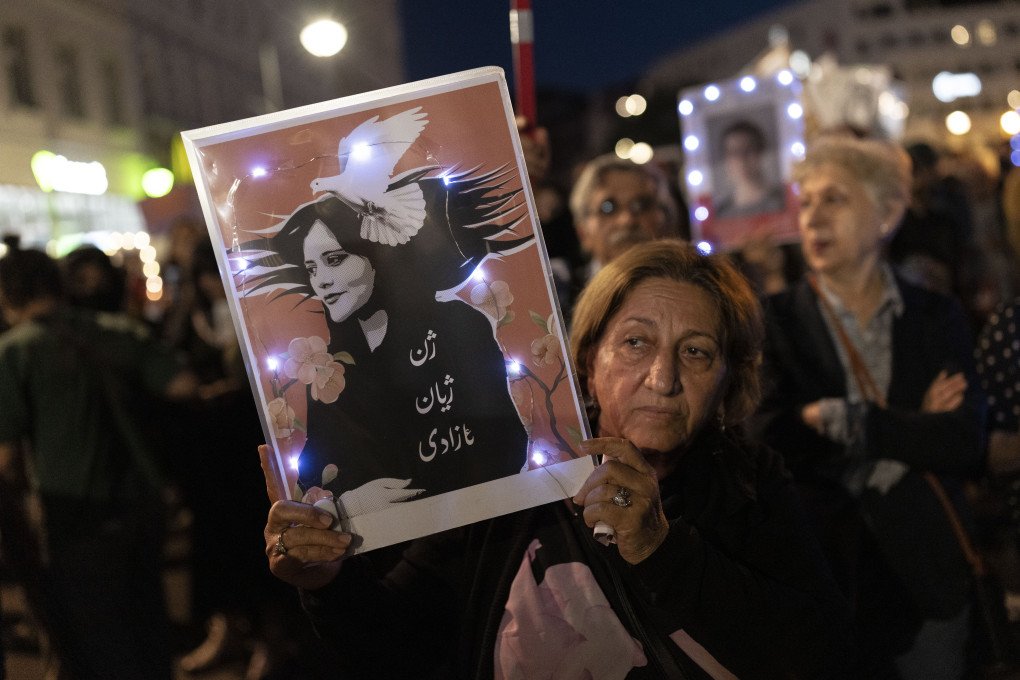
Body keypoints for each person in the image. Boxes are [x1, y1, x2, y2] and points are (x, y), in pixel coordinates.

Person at [259, 239, 859, 678]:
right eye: (635, 342)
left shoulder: (752, 486)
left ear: (729, 381)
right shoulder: (510, 482)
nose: (663, 377)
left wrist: (660, 549)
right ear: (588, 361)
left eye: (697, 352)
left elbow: (824, 655)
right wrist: (325, 583)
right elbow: (396, 645)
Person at [751, 135, 984, 678]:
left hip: (927, 575)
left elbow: (963, 441)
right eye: (806, 202)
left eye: (835, 199)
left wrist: (846, 421)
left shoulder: (935, 315)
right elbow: (769, 438)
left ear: (887, 214)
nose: (814, 217)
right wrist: (913, 427)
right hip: (825, 580)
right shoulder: (775, 321)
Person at [238, 168, 532, 511]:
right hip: (378, 556)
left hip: (485, 536)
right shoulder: (327, 372)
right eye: (313, 269)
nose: (322, 282)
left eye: (335, 260)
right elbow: (313, 475)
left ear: (378, 256)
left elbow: (506, 442)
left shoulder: (459, 325)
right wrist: (351, 506)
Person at [0, 247, 197, 679]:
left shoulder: (14, 351)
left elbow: (6, 461)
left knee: (98, 641)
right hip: (144, 503)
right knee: (149, 623)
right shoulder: (117, 330)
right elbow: (183, 384)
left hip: (77, 516)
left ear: (8, 296)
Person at [562, 155, 681, 312]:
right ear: (583, 232)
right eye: (608, 208)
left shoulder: (689, 295)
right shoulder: (558, 294)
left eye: (640, 205)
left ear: (664, 221)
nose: (627, 220)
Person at [713, 120, 787, 220]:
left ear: (761, 152)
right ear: (726, 160)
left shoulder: (783, 201)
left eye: (748, 150)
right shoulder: (722, 213)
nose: (741, 159)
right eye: (734, 152)